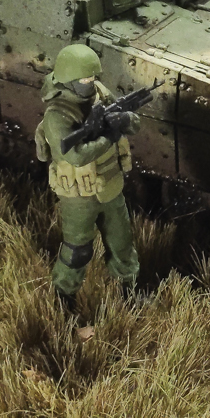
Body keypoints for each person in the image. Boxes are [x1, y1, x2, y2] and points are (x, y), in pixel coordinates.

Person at [36, 44, 142, 313]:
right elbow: (76, 156)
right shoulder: (57, 115)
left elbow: (134, 123)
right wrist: (109, 136)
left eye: (92, 77)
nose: (90, 83)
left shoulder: (100, 94)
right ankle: (63, 299)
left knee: (122, 243)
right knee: (77, 251)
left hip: (109, 184)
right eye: (84, 80)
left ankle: (130, 292)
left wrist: (125, 119)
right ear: (68, 78)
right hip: (78, 194)